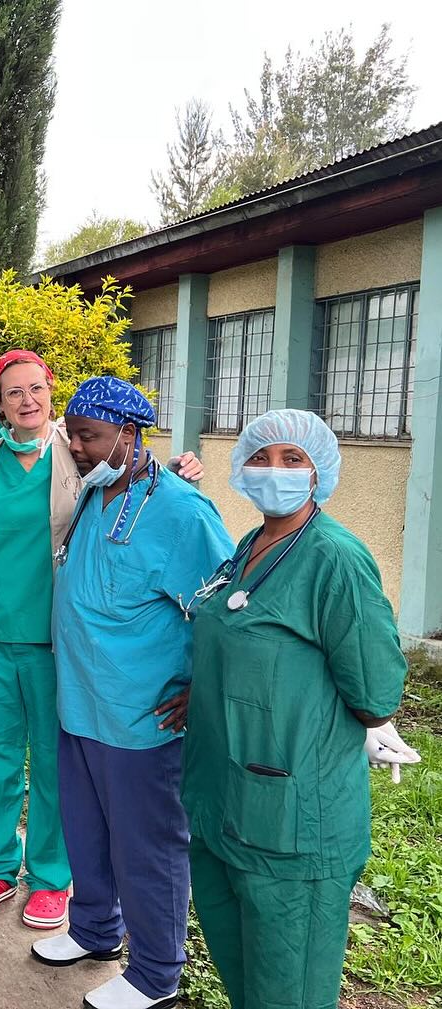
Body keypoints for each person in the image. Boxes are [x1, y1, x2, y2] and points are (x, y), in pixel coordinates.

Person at [0, 353, 207, 929]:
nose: (26, 400)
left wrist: (177, 472)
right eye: (13, 393)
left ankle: (53, 875)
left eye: (35, 388)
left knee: (57, 765)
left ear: (50, 392)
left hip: (58, 643)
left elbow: (136, 484)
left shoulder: (81, 454)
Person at [182, 410, 410, 1009]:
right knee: (243, 974)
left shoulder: (335, 558)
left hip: (292, 818)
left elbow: (376, 690)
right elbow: (238, 631)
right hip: (224, 799)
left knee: (291, 988)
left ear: (319, 474)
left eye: (293, 459)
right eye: (260, 457)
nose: (273, 471)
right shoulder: (253, 544)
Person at [29, 376, 234, 1009]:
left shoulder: (182, 512)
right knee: (85, 828)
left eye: (88, 436)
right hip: (81, 704)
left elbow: (224, 612)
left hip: (142, 716)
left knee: (147, 844)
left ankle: (156, 972)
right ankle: (94, 929)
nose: (78, 448)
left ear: (129, 433)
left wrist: (203, 686)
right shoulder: (94, 495)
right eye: (73, 435)